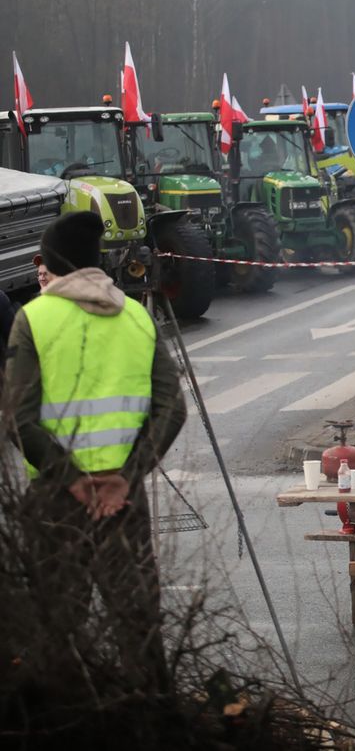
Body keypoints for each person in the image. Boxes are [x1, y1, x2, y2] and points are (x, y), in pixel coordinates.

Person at [3, 211, 187, 695]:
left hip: (58, 500)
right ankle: (157, 723)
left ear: (55, 263)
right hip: (124, 500)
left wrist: (73, 480)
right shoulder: (135, 316)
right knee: (140, 631)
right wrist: (126, 476)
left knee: (56, 634)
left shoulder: (35, 317)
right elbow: (173, 406)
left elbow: (17, 418)